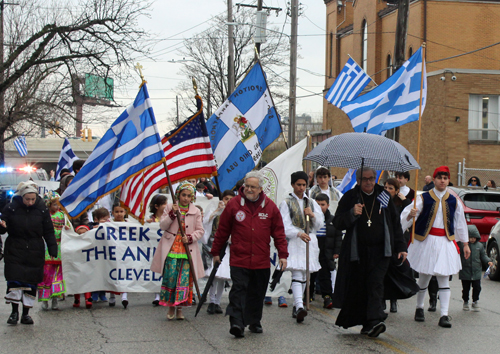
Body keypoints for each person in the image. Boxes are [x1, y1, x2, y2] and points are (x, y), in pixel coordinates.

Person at [211, 171, 288, 338]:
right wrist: (216, 251)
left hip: (261, 259)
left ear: (260, 189)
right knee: (238, 289)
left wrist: (283, 254)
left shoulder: (270, 207)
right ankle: (237, 322)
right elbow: (222, 231)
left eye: (253, 187)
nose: (249, 189)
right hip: (239, 257)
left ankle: (254, 321)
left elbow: (279, 233)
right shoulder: (233, 204)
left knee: (257, 291)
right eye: (247, 186)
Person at [332, 167, 407, 338]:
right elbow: (337, 222)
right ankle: (368, 324)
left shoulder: (383, 195)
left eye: (372, 178)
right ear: (358, 180)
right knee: (360, 287)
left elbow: (395, 223)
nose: (368, 182)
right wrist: (352, 213)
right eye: (365, 179)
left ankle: (376, 320)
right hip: (357, 252)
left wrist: (401, 247)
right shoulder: (351, 197)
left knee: (375, 284)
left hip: (381, 252)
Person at [402, 166, 471, 328]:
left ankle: (444, 314)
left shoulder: (454, 200)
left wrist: (465, 243)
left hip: (445, 242)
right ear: (434, 180)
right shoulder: (423, 198)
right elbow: (406, 216)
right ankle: (419, 308)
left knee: (444, 277)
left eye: (445, 178)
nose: (442, 180)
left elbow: (460, 223)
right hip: (425, 241)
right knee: (424, 276)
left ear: (448, 180)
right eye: (439, 177)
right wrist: (410, 216)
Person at [0, 181, 58, 325]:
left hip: (35, 248)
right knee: (14, 280)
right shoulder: (11, 208)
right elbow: (2, 227)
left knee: (30, 282)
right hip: (15, 247)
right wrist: (1, 227)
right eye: (27, 199)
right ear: (22, 196)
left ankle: (26, 313)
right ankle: (14, 312)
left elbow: (48, 230)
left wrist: (52, 248)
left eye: (33, 199)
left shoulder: (42, 209)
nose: (30, 202)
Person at [150, 182, 205, 320]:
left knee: (184, 280)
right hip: (171, 247)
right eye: (183, 195)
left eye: (189, 196)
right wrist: (172, 214)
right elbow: (162, 225)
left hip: (187, 250)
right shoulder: (170, 207)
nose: (186, 198)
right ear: (178, 195)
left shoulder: (196, 211)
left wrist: (191, 237)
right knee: (170, 278)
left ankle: (180, 308)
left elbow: (200, 230)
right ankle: (170, 307)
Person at [279, 171, 323, 323]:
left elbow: (319, 225)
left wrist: (312, 215)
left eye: (304, 185)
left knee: (305, 274)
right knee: (297, 273)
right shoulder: (286, 202)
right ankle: (298, 305)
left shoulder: (311, 202)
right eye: (298, 185)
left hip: (310, 240)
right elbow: (284, 225)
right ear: (293, 185)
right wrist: (298, 234)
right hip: (296, 241)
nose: (301, 188)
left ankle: (298, 304)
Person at [382, 178, 417, 314]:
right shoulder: (381, 203)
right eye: (385, 188)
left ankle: (394, 300)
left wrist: (407, 205)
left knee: (395, 271)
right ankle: (382, 299)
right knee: (383, 273)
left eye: (391, 188)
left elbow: (403, 221)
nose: (387, 191)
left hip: (396, 241)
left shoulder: (399, 204)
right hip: (383, 242)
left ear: (397, 191)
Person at [202, 190, 235, 315]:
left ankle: (217, 301)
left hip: (227, 246)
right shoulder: (215, 210)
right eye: (226, 199)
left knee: (222, 276)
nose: (228, 202)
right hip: (214, 245)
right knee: (213, 275)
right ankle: (211, 300)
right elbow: (206, 223)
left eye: (231, 199)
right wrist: (217, 212)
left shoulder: (235, 212)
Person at [38, 191, 68, 311]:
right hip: (47, 247)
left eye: (58, 204)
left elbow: (68, 228)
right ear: (49, 204)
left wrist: (66, 229)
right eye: (54, 204)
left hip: (59, 248)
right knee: (46, 274)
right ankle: (44, 299)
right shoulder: (45, 216)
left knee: (57, 274)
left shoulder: (62, 216)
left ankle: (55, 298)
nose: (57, 207)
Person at [314, 193, 342, 309]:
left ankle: (327, 296)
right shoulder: (311, 217)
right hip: (314, 247)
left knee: (325, 274)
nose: (320, 207)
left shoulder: (332, 219)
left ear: (328, 205)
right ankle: (308, 295)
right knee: (311, 273)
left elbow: (338, 236)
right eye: (318, 204)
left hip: (326, 249)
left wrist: (336, 250)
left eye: (323, 204)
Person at [459, 225, 493, 312]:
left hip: (476, 270)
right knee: (466, 288)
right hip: (465, 270)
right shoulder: (463, 245)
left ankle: (475, 301)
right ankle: (465, 301)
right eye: (470, 237)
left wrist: (488, 261)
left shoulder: (480, 246)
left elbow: (483, 256)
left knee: (477, 287)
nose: (472, 239)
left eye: (474, 237)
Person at [89, 207, 111, 303]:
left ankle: (102, 293)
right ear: (96, 219)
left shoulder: (110, 226)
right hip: (95, 254)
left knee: (104, 273)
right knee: (95, 273)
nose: (106, 221)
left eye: (107, 219)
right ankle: (94, 293)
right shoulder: (92, 226)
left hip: (105, 254)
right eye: (104, 219)